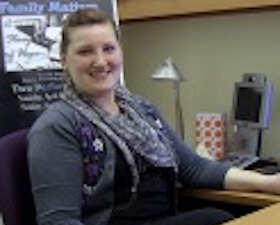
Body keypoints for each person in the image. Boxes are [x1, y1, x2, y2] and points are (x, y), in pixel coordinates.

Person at [27, 8, 280, 225]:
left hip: (164, 217)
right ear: (63, 61)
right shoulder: (57, 126)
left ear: (120, 52)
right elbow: (58, 221)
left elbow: (193, 168)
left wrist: (269, 183)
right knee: (214, 218)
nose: (101, 61)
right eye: (85, 52)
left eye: (108, 48)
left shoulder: (141, 110)